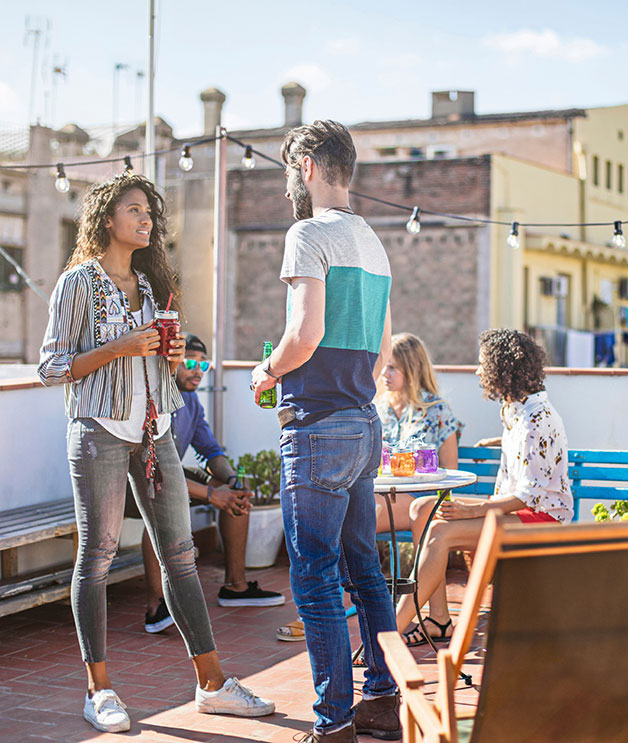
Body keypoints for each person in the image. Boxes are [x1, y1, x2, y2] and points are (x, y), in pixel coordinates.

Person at [39, 173, 274, 733]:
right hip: (97, 432)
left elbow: (162, 378)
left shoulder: (149, 290)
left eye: (149, 213)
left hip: (154, 432)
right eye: (135, 210)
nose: (146, 221)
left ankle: (213, 684)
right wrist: (118, 347)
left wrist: (170, 360)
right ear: (107, 220)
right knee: (95, 558)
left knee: (182, 554)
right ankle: (99, 690)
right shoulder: (77, 284)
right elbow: (50, 367)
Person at [250, 120, 399, 743]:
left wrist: (265, 371)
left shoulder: (308, 233)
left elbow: (303, 333)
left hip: (317, 426)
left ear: (308, 166)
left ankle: (333, 721)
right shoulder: (374, 241)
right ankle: (384, 702)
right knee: (365, 567)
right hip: (365, 423)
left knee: (313, 575)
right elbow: (386, 349)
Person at [275, 332, 463, 646]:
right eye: (384, 367)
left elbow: (449, 473)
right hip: (381, 495)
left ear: (413, 369)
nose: (384, 375)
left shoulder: (437, 412)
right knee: (342, 518)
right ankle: (327, 610)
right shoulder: (377, 408)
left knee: (351, 523)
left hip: (421, 496)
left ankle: (323, 611)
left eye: (392, 368)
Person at [395, 329, 572, 644]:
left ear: (502, 370)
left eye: (482, 364)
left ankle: (389, 633)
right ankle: (438, 619)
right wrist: (498, 441)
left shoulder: (537, 419)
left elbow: (528, 496)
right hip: (518, 510)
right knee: (421, 508)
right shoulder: (515, 409)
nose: (478, 371)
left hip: (541, 518)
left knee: (440, 533)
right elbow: (528, 454)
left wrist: (472, 509)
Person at [130, 333, 285, 636]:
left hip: (172, 474)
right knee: (160, 511)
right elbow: (155, 468)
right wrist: (213, 495)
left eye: (204, 364)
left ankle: (236, 587)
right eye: (190, 362)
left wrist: (231, 480)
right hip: (134, 480)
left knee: (235, 492)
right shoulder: (154, 397)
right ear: (170, 362)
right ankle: (156, 605)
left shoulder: (190, 400)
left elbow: (211, 451)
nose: (198, 370)